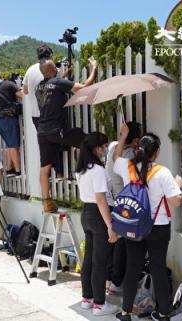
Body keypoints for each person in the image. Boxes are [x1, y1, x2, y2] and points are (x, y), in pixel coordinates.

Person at [114, 124, 182, 321]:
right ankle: (162, 314)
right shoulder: (162, 172)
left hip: (134, 225)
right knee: (158, 268)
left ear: (139, 149)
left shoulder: (127, 167)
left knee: (133, 268)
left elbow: (114, 157)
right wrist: (178, 186)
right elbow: (175, 202)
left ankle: (126, 312)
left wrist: (123, 136)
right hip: (158, 227)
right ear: (157, 152)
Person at [35, 59, 97, 213]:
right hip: (57, 130)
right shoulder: (58, 83)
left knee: (45, 168)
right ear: (53, 70)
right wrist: (94, 68)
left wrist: (63, 76)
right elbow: (84, 88)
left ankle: (47, 202)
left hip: (42, 132)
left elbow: (53, 88)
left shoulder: (39, 87)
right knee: (85, 139)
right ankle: (88, 173)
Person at [75, 133, 119, 316]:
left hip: (86, 213)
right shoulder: (98, 170)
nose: (105, 150)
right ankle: (99, 304)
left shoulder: (82, 169)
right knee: (100, 261)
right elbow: (101, 198)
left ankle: (88, 298)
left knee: (89, 260)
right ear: (97, 148)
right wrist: (110, 225)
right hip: (99, 214)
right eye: (104, 147)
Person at [105, 121, 142, 294]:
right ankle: (116, 282)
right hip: (124, 204)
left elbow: (115, 158)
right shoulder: (130, 155)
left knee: (112, 243)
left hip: (111, 201)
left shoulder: (114, 149)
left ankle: (109, 279)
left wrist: (123, 136)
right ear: (135, 140)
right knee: (122, 246)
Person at [0, 72, 24, 178]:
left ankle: (9, 169)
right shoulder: (8, 84)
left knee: (9, 144)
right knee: (14, 145)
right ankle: (18, 171)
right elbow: (22, 95)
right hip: (8, 118)